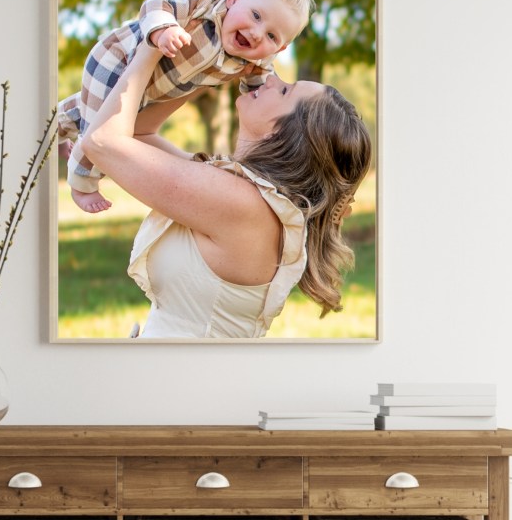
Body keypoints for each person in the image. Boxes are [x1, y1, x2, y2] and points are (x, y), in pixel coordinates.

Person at [77, 40, 372, 339]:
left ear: (288, 135)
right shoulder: (244, 196)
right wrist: (208, 70)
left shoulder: (244, 204)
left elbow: (102, 142)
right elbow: (139, 135)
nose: (271, 78)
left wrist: (151, 48)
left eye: (285, 90)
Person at [58, 0, 314, 213]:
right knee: (99, 127)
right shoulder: (205, 1)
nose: (257, 34)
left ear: (280, 49)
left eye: (272, 36)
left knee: (89, 108)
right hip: (118, 60)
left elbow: (264, 96)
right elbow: (158, 3)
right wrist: (163, 29)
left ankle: (56, 125)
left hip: (151, 88)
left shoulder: (255, 64)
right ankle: (82, 184)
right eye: (256, 15)